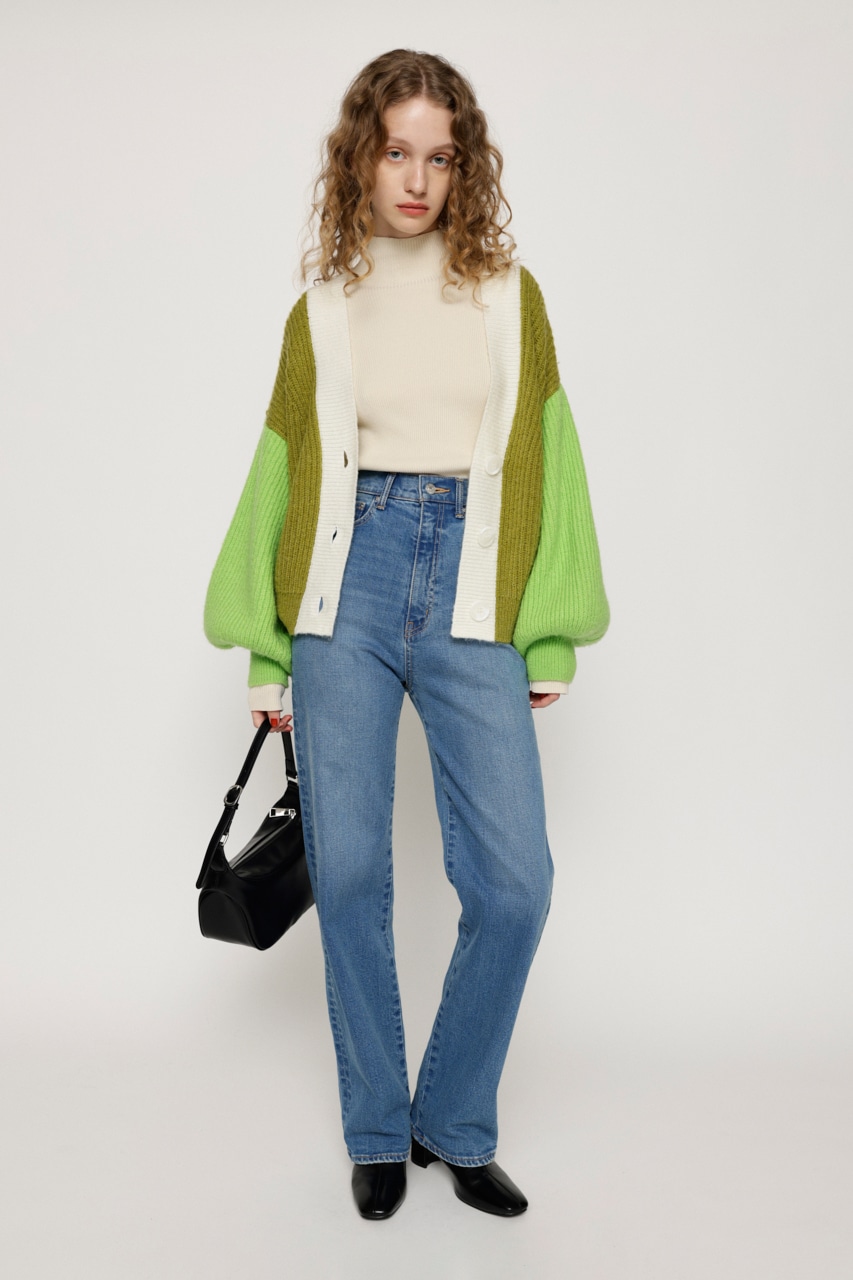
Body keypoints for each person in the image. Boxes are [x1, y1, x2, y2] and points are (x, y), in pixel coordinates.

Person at [204, 48, 609, 1221]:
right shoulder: (322, 310)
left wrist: (548, 632)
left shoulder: (510, 297)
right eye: (396, 152)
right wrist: (267, 650)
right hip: (347, 586)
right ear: (361, 160)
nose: (418, 179)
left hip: (475, 581)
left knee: (515, 882)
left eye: (440, 156)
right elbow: (280, 477)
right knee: (348, 870)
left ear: (463, 166)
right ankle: (378, 1127)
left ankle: (453, 1118)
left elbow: (552, 460)